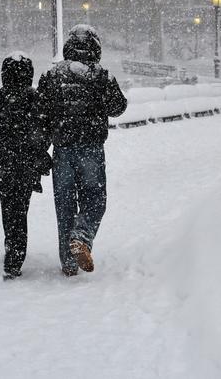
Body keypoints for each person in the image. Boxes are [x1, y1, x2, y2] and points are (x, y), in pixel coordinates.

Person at [37, 25, 127, 276]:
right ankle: (81, 236)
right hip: (91, 148)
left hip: (62, 149)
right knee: (95, 200)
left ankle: (68, 262)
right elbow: (118, 107)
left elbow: (41, 114)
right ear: (95, 48)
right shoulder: (101, 76)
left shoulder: (53, 75)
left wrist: (42, 147)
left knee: (64, 205)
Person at [0, 52, 52, 280]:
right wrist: (36, 150)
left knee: (9, 211)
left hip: (3, 165)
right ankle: (16, 255)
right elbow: (47, 129)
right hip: (27, 166)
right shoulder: (36, 99)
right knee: (21, 209)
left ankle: (13, 252)